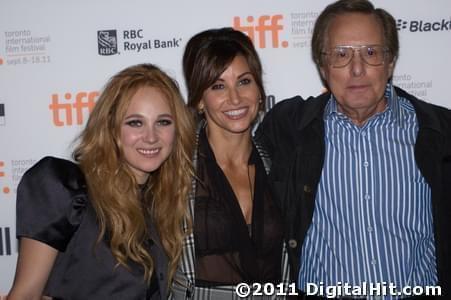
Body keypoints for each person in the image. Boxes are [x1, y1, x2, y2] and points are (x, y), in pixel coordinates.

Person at [256, 0, 451, 298]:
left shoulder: (439, 131)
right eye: (341, 55)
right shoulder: (289, 129)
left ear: (391, 62)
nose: (357, 69)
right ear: (322, 66)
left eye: (371, 53)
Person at [8, 63, 195, 300]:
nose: (151, 137)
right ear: (111, 128)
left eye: (163, 122)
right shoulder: (65, 188)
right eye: (135, 122)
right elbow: (25, 295)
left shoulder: (162, 206)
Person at [171, 27, 290, 299]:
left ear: (259, 90)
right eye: (218, 86)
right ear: (200, 99)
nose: (235, 98)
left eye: (244, 81)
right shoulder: (175, 169)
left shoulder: (280, 165)